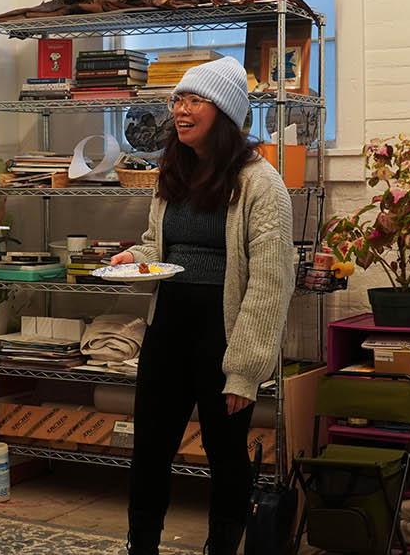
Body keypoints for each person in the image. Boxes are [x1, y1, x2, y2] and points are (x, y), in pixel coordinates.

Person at [110, 56, 296, 555]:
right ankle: (141, 546)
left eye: (195, 101)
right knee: (150, 449)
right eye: (178, 100)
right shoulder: (173, 172)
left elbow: (271, 282)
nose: (181, 110)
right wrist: (134, 258)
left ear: (226, 113)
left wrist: (245, 370)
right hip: (168, 327)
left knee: (226, 456)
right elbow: (158, 246)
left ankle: (222, 547)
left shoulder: (261, 184)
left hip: (223, 335)